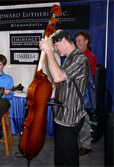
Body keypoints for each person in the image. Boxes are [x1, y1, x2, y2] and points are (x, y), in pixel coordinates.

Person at [39, 30, 90, 166]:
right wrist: (49, 93)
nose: (55, 49)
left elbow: (58, 76)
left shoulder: (80, 58)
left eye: (56, 46)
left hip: (70, 116)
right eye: (53, 47)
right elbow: (62, 83)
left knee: (66, 156)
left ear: (63, 41)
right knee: (64, 152)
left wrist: (48, 52)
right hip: (63, 114)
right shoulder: (69, 59)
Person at [75, 31, 97, 156]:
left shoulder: (90, 57)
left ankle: (86, 145)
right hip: (74, 91)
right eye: (76, 41)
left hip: (83, 92)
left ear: (86, 41)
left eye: (79, 41)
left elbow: (87, 76)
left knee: (84, 119)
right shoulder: (76, 55)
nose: (77, 43)